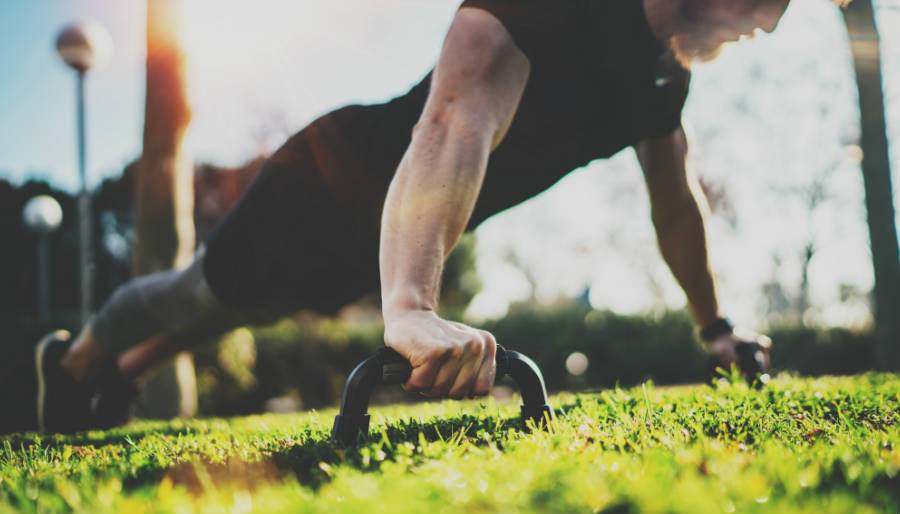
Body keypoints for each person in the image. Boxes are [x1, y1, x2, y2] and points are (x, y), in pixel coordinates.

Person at [34, 0, 786, 433]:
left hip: (389, 242)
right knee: (195, 294)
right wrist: (412, 308)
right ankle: (72, 363)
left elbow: (675, 201)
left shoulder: (662, 78)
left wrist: (714, 325)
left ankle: (118, 374)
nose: (775, 22)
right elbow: (456, 121)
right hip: (323, 190)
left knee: (242, 312)